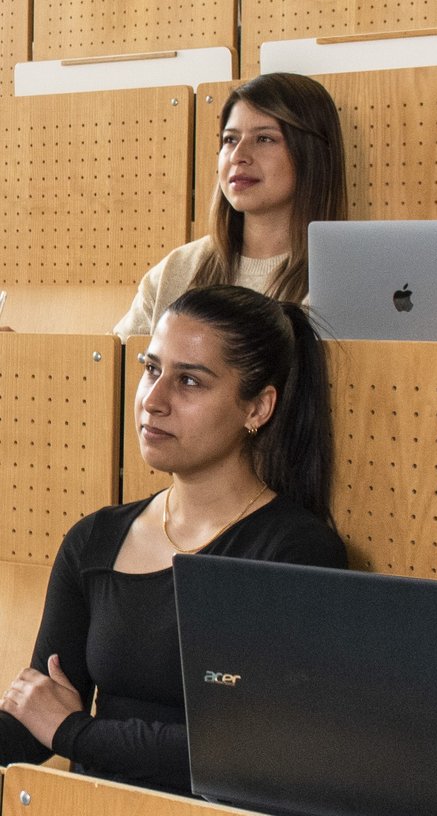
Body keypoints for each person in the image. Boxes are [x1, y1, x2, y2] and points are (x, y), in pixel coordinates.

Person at [0, 285, 347, 793]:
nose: (153, 400)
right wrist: (60, 729)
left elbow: (248, 751)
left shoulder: (295, 552)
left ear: (258, 408)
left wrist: (75, 732)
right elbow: (35, 723)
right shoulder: (94, 539)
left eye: (188, 381)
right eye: (150, 368)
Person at [114, 73, 348, 340]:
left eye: (264, 139)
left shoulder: (343, 280)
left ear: (312, 154)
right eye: (230, 139)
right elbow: (117, 371)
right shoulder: (175, 270)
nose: (238, 156)